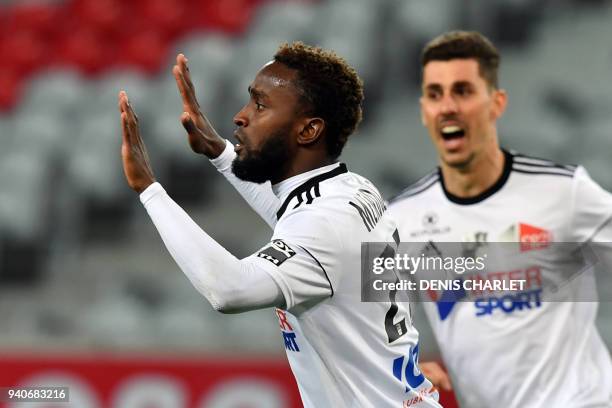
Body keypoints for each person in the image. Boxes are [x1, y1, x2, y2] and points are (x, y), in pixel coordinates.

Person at [119, 42, 441, 407]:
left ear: (308, 131)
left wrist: (149, 190)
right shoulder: (351, 191)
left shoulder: (326, 221)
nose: (241, 116)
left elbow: (228, 289)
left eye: (260, 105)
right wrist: (221, 153)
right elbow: (293, 216)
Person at [386, 31, 612, 407]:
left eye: (462, 91)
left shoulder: (566, 191)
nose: (448, 107)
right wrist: (399, 366)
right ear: (423, 109)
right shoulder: (399, 218)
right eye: (435, 94)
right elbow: (363, 325)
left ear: (496, 103)